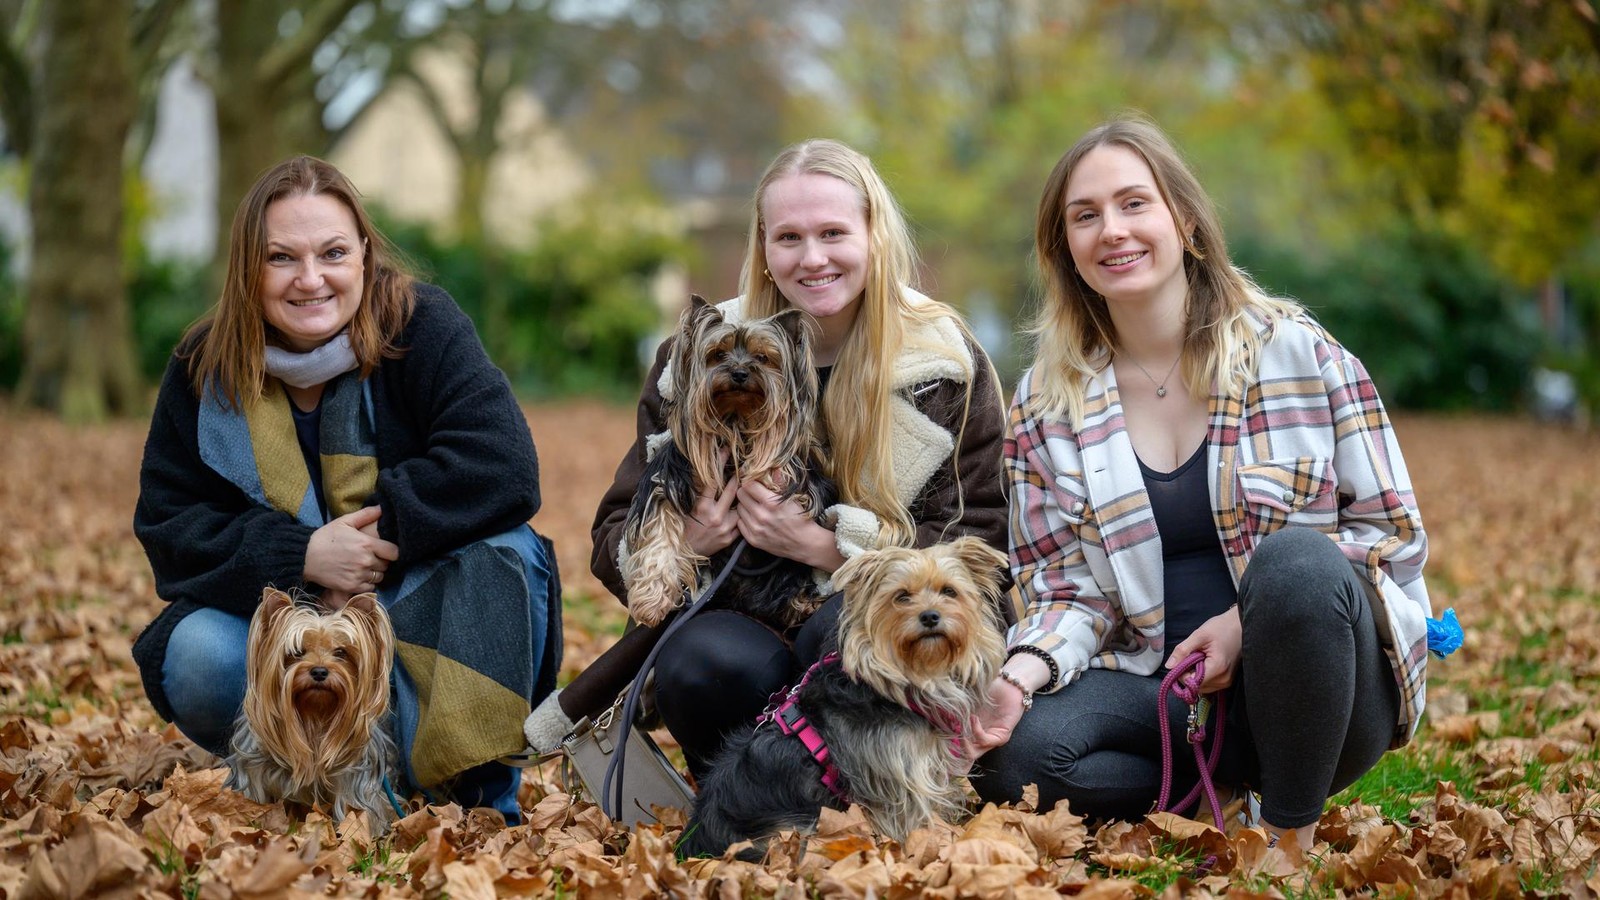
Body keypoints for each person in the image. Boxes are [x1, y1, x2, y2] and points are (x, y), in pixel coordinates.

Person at [967, 115, 1431, 852]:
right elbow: (1065, 591)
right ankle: (1217, 802)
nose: (1111, 231)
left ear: (1184, 222)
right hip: (1162, 698)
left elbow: (1392, 540)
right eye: (1084, 217)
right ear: (1066, 252)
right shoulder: (1045, 405)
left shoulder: (1298, 353)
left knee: (1296, 565)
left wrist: (1248, 625)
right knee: (1016, 760)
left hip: (1322, 692)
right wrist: (1019, 679)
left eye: (1133, 203)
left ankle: (1286, 839)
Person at [131, 155, 560, 824]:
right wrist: (300, 555)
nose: (311, 280)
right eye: (281, 258)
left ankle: (463, 784)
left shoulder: (421, 324)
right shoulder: (203, 367)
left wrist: (377, 538)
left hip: (416, 601)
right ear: (249, 268)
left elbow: (503, 465)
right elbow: (169, 524)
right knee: (195, 656)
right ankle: (297, 765)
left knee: (513, 553)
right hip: (286, 629)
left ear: (363, 252)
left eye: (332, 252)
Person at [587, 138, 1012, 778]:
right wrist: (693, 539)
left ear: (874, 235)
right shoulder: (698, 356)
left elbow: (980, 528)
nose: (812, 258)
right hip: (733, 609)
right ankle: (740, 798)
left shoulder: (945, 364)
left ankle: (880, 791)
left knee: (843, 633)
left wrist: (826, 548)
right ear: (763, 247)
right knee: (704, 661)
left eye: (833, 233)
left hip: (871, 611)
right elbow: (616, 527)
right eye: (788, 237)